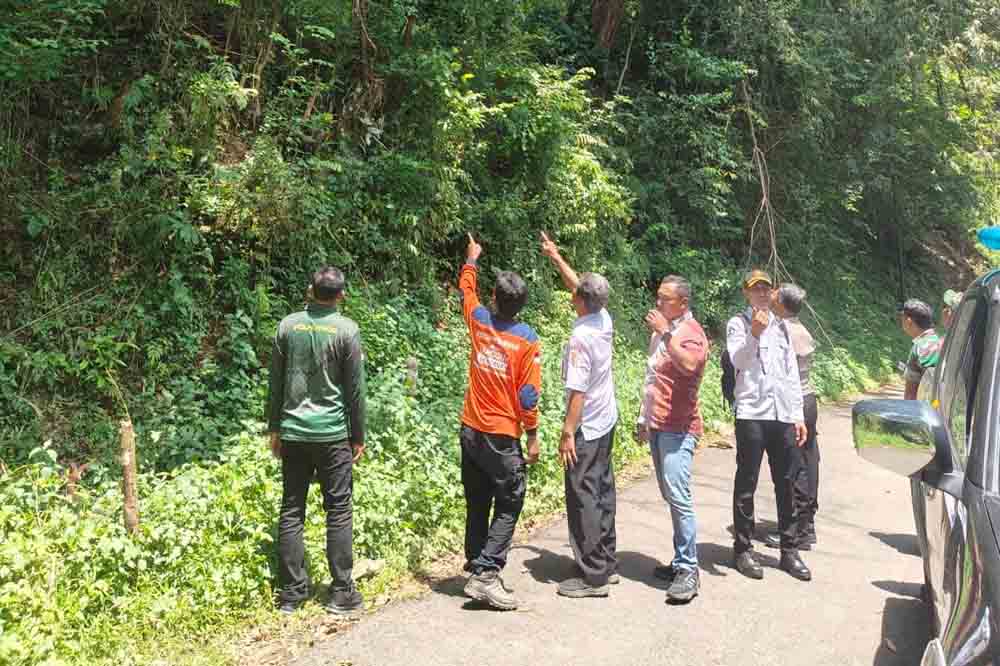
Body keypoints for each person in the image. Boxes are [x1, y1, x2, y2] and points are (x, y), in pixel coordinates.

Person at [268, 267, 367, 615]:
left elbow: (275, 382)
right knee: (338, 509)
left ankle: (292, 594)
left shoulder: (287, 326)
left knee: (292, 507)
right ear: (341, 295)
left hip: (293, 432)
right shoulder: (347, 330)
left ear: (310, 290)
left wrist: (274, 428)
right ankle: (341, 593)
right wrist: (358, 435)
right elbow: (355, 390)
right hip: (333, 434)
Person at [458, 233, 541, 610]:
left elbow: (466, 291)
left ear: (494, 297)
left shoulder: (479, 321)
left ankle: (477, 562)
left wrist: (472, 259)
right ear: (522, 305)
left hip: (470, 430)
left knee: (477, 499)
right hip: (502, 436)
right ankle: (487, 574)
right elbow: (528, 396)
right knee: (510, 501)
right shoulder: (526, 340)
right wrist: (533, 435)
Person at [540, 232, 619, 599]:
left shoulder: (582, 338)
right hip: (606, 419)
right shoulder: (602, 317)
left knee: (582, 495)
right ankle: (605, 561)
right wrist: (556, 258)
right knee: (601, 489)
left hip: (586, 424)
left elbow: (577, 392)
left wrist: (568, 432)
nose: (571, 294)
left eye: (575, 294)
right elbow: (579, 286)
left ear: (580, 302)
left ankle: (593, 577)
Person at [727, 269, 810, 582]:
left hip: (782, 414)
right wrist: (754, 334)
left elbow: (791, 374)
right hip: (751, 412)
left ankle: (790, 550)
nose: (761, 294)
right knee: (746, 481)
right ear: (746, 293)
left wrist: (798, 415)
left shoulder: (783, 327)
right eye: (755, 289)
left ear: (773, 293)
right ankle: (743, 549)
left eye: (765, 289)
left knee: (787, 482)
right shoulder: (738, 323)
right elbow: (738, 361)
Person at [636, 275, 709, 603]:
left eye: (665, 298)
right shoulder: (663, 332)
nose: (659, 303)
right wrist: (644, 419)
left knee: (678, 496)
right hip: (659, 423)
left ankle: (688, 569)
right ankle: (681, 560)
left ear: (683, 303)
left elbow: (691, 365)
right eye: (659, 296)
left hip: (679, 428)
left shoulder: (690, 333)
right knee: (670, 493)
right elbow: (654, 376)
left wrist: (666, 333)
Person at [765, 284, 819, 551]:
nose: (770, 294)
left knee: (795, 465)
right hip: (807, 400)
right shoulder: (800, 329)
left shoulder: (784, 331)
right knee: (808, 461)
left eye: (775, 293)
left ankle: (798, 530)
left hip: (793, 403)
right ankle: (806, 526)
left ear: (782, 304)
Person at [899, 299, 942, 401]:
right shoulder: (942, 341)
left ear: (908, 321)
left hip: (927, 408)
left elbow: (910, 396)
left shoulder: (918, 348)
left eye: (902, 318)